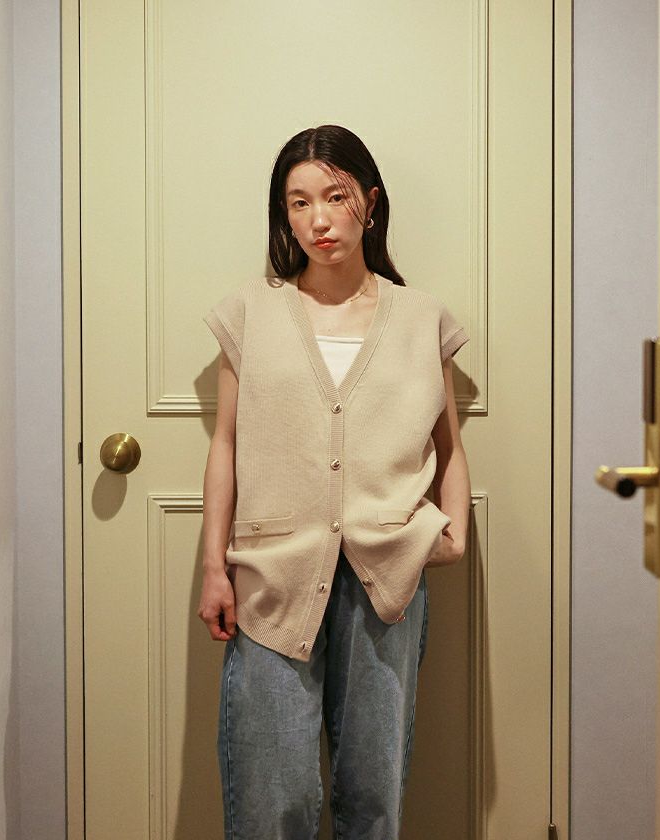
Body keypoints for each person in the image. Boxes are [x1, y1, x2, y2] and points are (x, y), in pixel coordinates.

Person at [198, 124, 471, 840]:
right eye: (298, 203)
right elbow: (225, 443)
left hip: (389, 573)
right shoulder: (249, 313)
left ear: (369, 203)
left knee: (373, 791)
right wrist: (214, 568)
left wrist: (455, 531)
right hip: (271, 571)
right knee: (272, 795)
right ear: (283, 216)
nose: (318, 219)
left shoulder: (421, 318)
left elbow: (449, 443)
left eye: (336, 196)